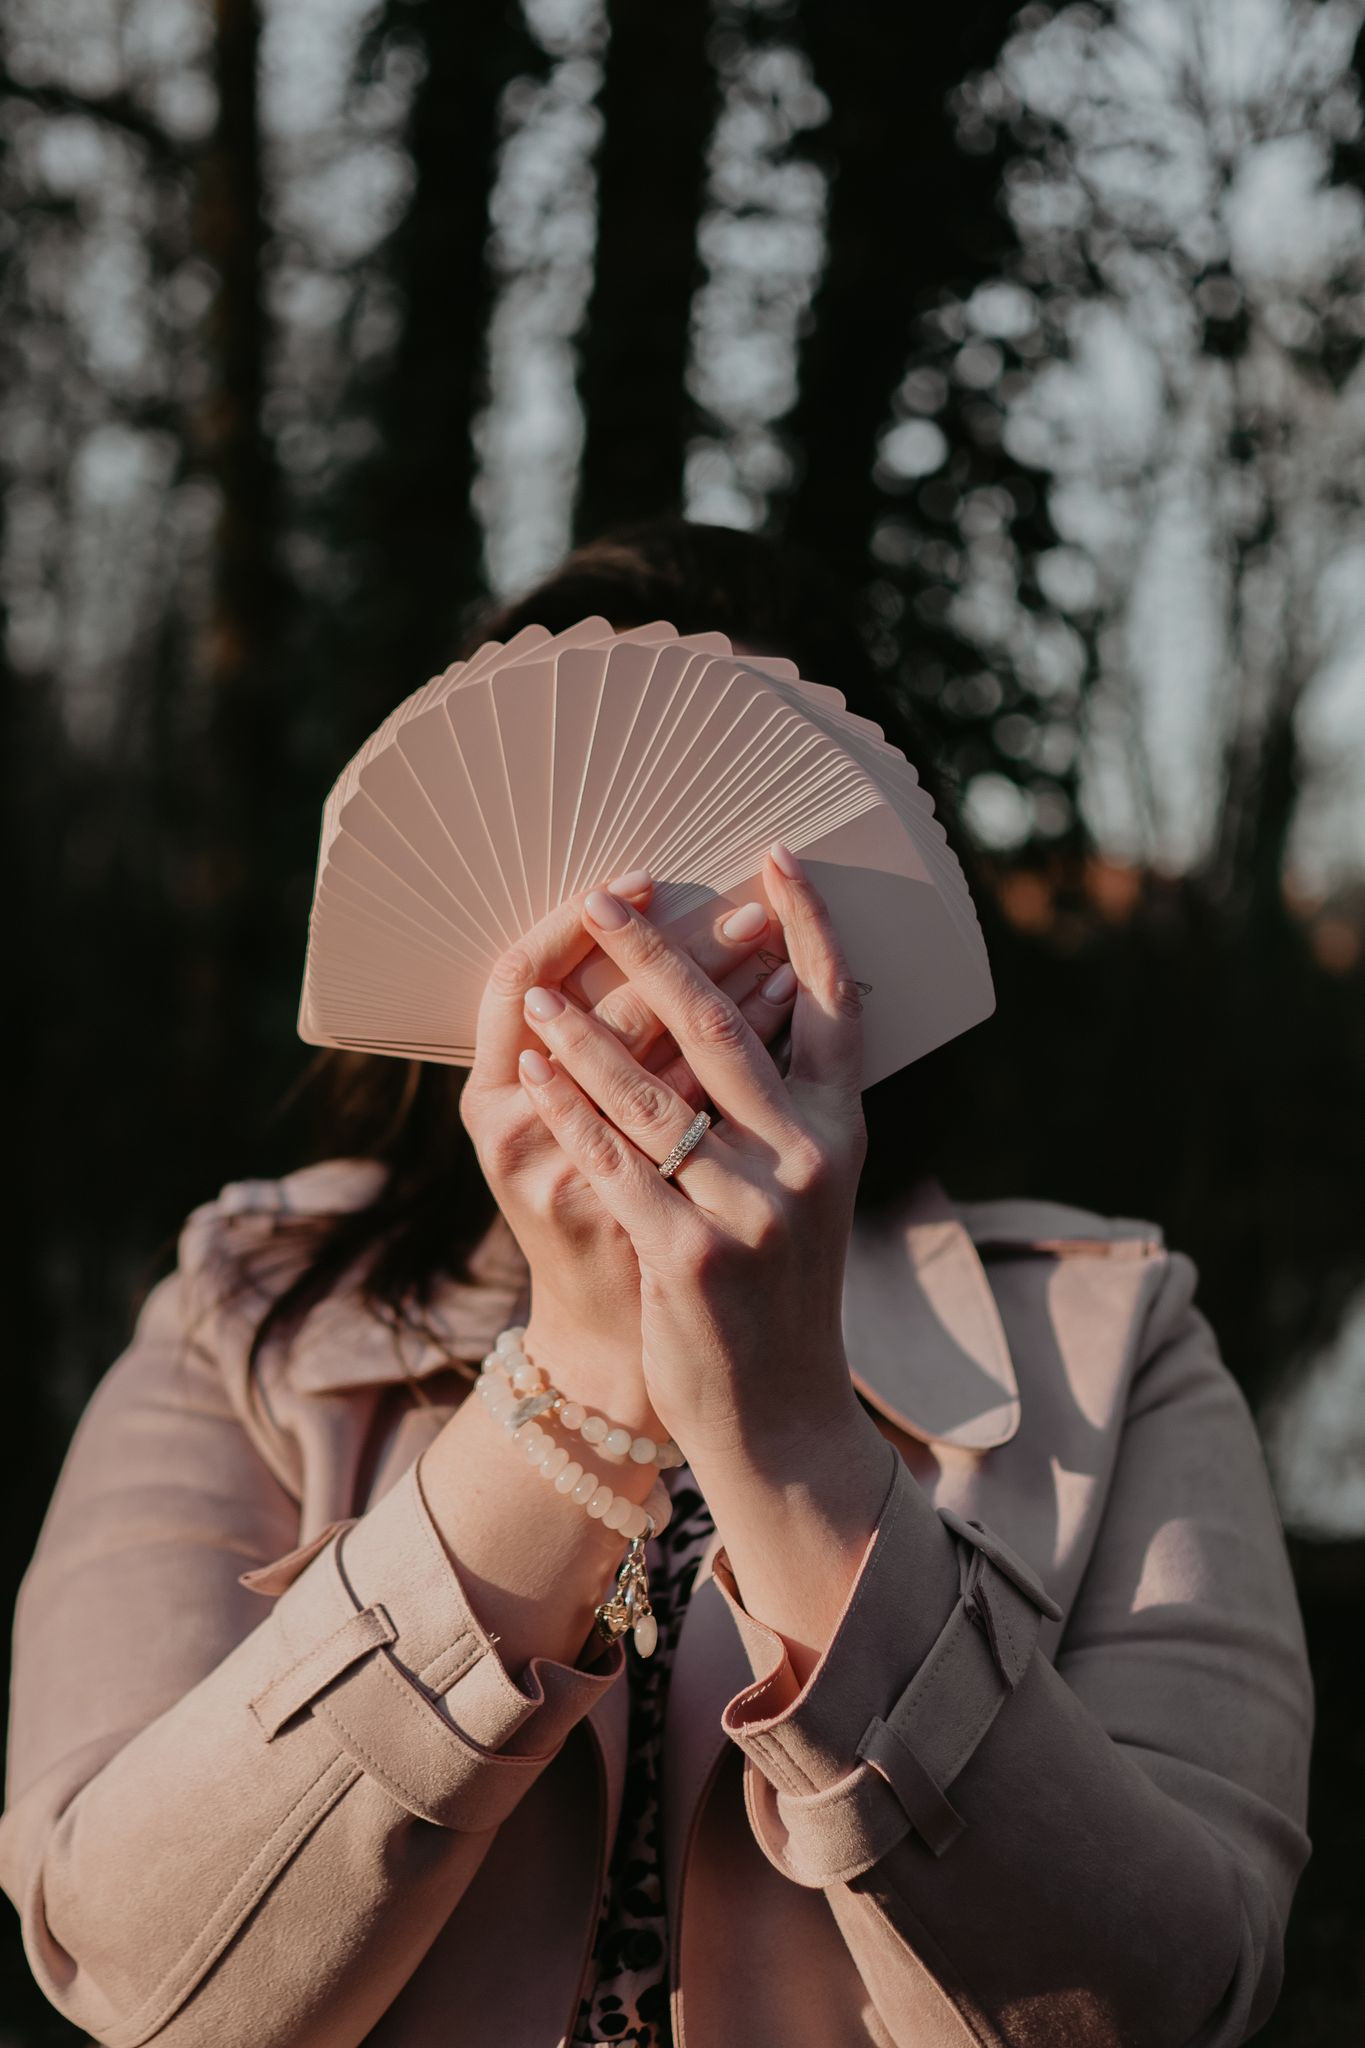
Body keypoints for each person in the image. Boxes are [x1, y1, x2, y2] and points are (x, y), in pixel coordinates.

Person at [0, 521, 1314, 2048]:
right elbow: (136, 1975)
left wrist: (790, 1444)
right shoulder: (251, 1313)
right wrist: (574, 1385)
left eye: (724, 940)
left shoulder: (1112, 1337)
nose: (654, 1005)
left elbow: (1164, 2008)